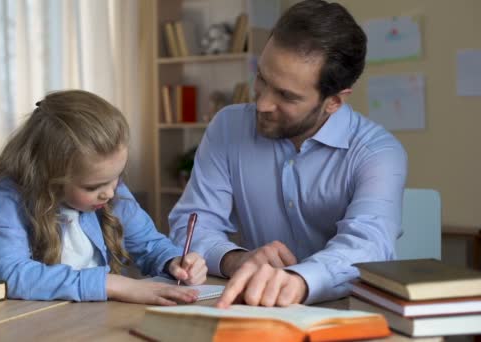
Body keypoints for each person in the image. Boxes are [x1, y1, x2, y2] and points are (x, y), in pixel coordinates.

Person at [168, 0, 407, 307]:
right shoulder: (228, 127)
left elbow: (369, 246)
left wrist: (298, 280)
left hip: (344, 313)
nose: (263, 104)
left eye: (285, 95)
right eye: (262, 79)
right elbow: (190, 225)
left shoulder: (378, 153)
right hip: (256, 308)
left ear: (333, 101)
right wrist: (235, 260)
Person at [0, 90, 207, 305]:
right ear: (51, 176)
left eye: (117, 177)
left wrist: (174, 262)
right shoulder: (11, 197)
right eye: (93, 187)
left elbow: (150, 244)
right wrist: (112, 284)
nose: (110, 192)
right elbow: (11, 274)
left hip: (93, 321)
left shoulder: (111, 191)